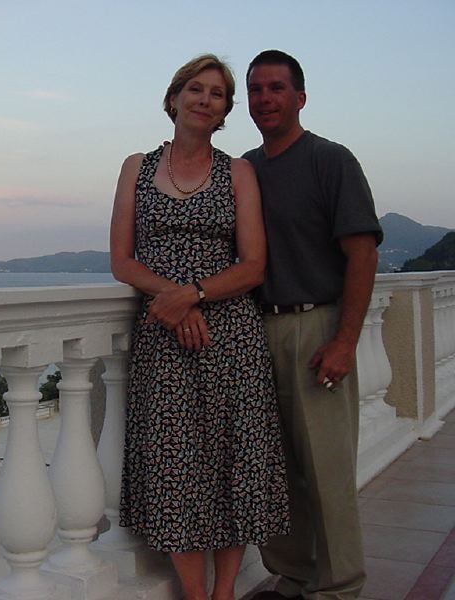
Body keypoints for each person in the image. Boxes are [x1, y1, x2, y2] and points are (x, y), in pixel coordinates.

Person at [110, 53, 290, 600]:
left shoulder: (238, 172)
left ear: (224, 112)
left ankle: (224, 591)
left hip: (231, 335)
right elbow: (122, 260)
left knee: (234, 460)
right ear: (173, 99)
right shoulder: (137, 167)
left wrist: (192, 294)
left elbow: (253, 265)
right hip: (164, 339)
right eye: (195, 89)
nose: (204, 100)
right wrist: (175, 301)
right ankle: (196, 593)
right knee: (175, 464)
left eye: (217, 94)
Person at [242, 50, 383, 600]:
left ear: (300, 97)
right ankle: (293, 576)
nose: (265, 99)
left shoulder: (330, 160)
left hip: (316, 327)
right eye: (255, 89)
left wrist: (344, 340)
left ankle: (340, 587)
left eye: (276, 88)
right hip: (256, 330)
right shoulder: (244, 169)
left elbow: (362, 253)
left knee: (327, 470)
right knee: (272, 470)